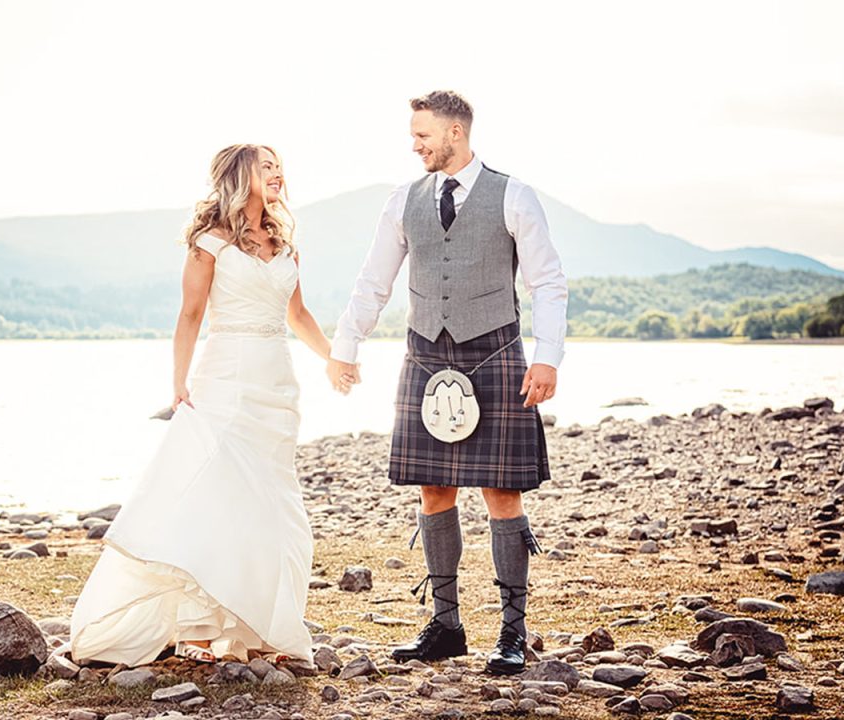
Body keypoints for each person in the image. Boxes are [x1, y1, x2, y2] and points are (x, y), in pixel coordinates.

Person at [327, 91, 568, 676]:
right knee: (431, 489)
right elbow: (373, 281)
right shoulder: (403, 200)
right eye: (414, 135)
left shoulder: (513, 194)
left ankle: (513, 631)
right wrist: (345, 344)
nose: (415, 144)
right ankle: (446, 625)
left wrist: (548, 358)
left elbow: (548, 282)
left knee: (500, 492)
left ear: (456, 132)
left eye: (423, 134)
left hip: (497, 353)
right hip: (425, 354)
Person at [70, 144, 333, 668]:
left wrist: (335, 359)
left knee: (269, 504)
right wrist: (179, 385)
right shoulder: (208, 243)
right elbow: (190, 315)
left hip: (277, 384)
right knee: (215, 493)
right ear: (241, 177)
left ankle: (251, 626)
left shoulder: (285, 245)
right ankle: (196, 625)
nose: (278, 174)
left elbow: (298, 315)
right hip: (226, 378)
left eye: (280, 167)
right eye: (267, 167)